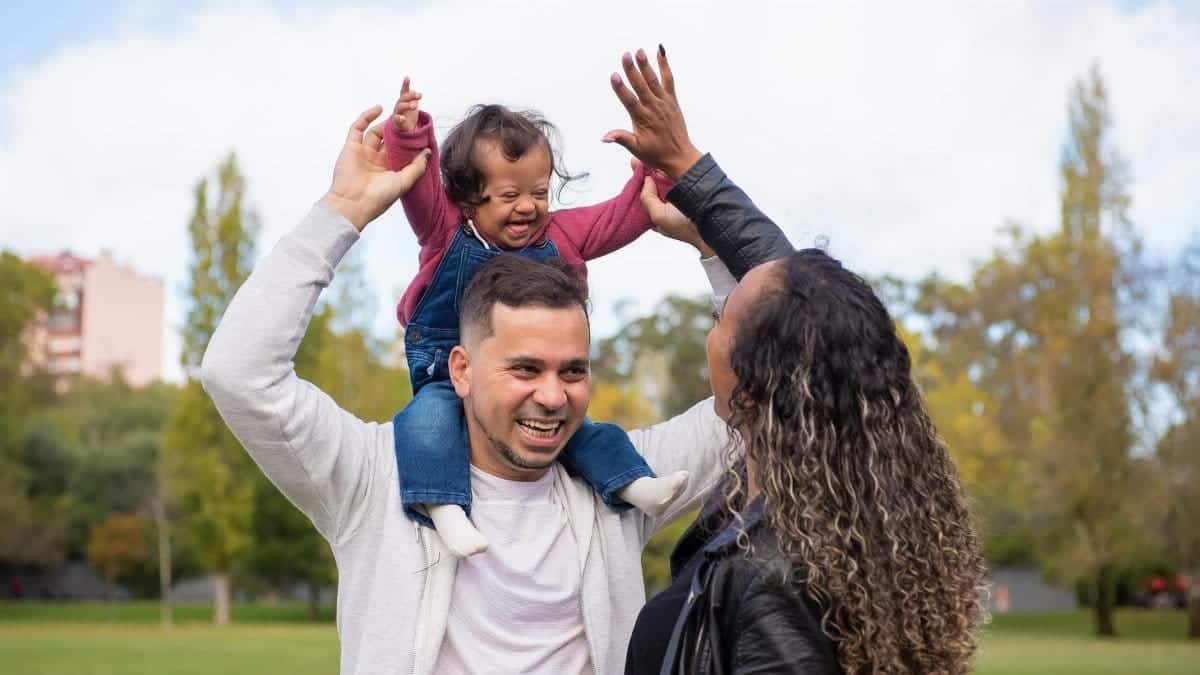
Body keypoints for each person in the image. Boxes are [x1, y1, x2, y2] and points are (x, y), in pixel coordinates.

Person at [200, 98, 776, 673]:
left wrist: (709, 232)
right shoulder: (375, 478)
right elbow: (238, 372)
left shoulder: (619, 484)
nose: (552, 396)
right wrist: (341, 212)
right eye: (525, 369)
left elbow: (777, 387)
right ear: (461, 370)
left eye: (572, 371)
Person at [604, 47, 987, 673]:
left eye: (721, 318)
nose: (715, 320)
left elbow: (790, 304)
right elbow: (801, 306)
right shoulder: (828, 525)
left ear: (753, 386)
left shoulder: (770, 581)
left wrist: (692, 170)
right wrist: (691, 174)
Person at [382, 78, 686, 556]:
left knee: (582, 431)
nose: (528, 206)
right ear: (469, 198)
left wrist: (659, 167)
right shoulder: (446, 231)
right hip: (444, 371)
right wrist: (407, 134)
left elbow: (621, 217)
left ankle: (633, 484)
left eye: (539, 192)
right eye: (509, 196)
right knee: (426, 423)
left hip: (533, 378)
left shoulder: (560, 235)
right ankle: (443, 507)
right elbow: (416, 186)